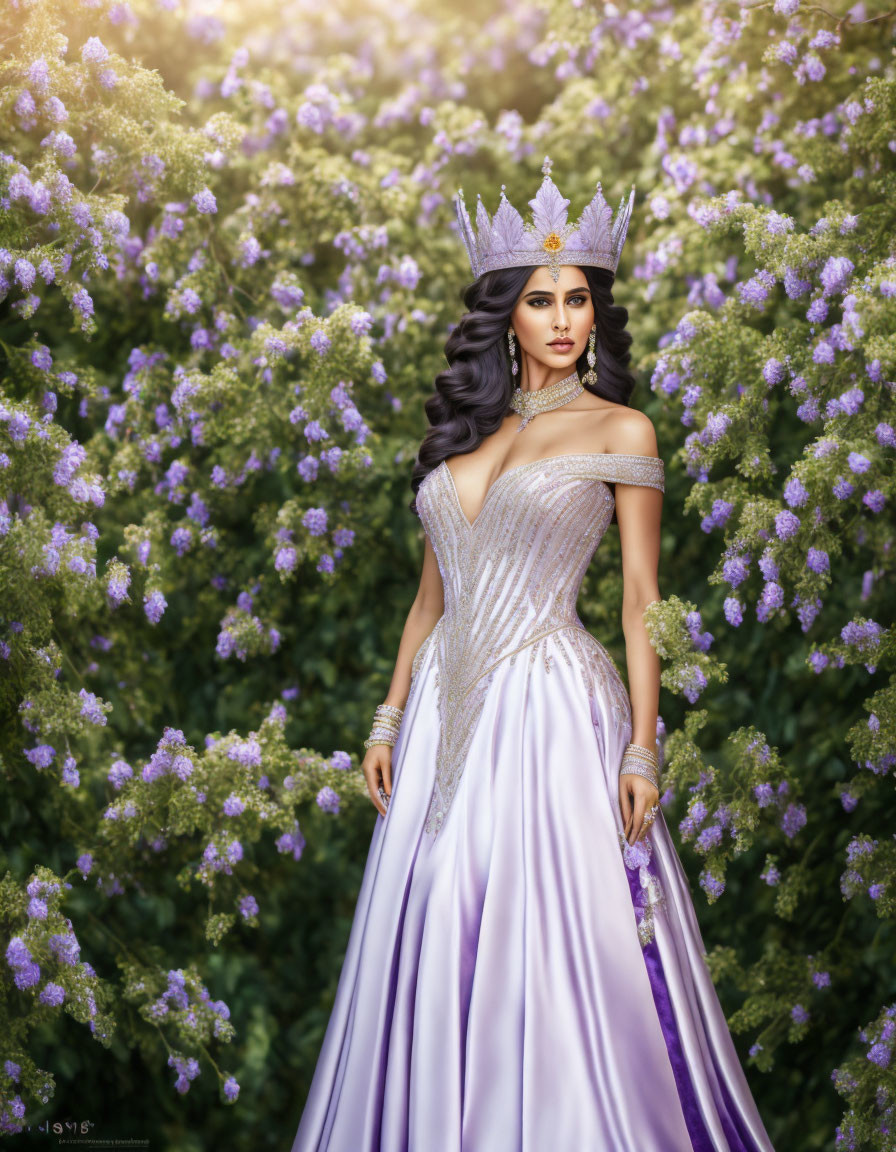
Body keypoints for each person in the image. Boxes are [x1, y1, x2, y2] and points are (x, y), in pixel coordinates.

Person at [289, 159, 776, 1151]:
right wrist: (386, 717)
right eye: (540, 298)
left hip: (551, 712)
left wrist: (642, 747)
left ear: (596, 312)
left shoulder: (620, 429)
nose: (562, 317)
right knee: (430, 919)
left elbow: (641, 604)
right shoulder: (460, 439)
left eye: (577, 298)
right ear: (505, 314)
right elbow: (428, 599)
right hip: (437, 724)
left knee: (544, 942)